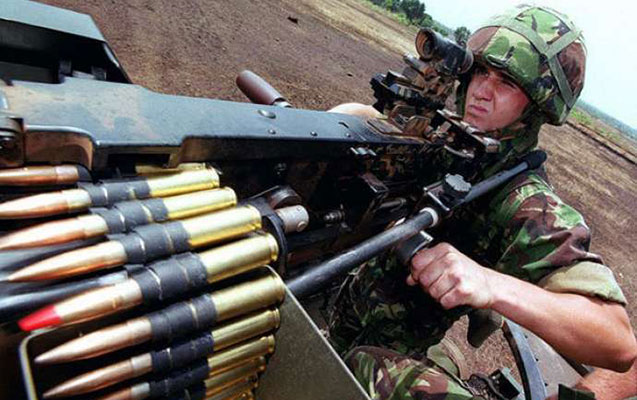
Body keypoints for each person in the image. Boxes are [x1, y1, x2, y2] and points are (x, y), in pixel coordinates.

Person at [327, 5, 637, 399]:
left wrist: (489, 284)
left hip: (382, 356)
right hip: (343, 316)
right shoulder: (438, 140)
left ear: (536, 105)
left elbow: (616, 340)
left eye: (506, 83)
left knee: (374, 370)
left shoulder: (526, 202)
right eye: (481, 72)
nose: (482, 90)